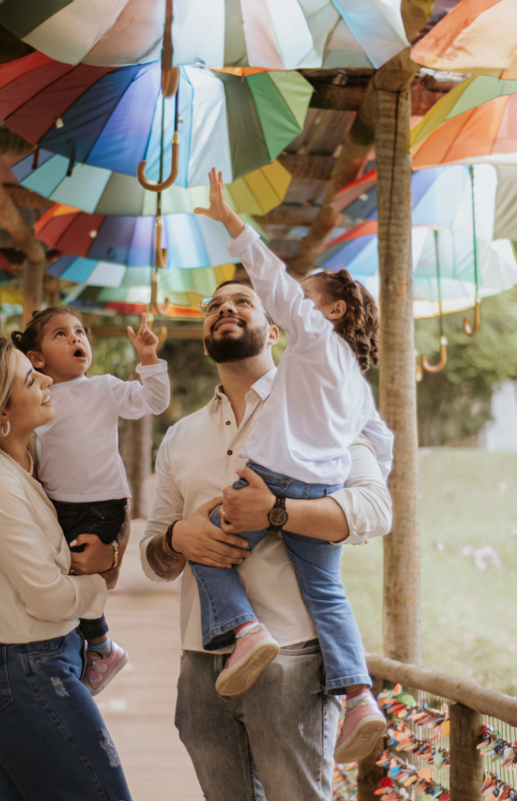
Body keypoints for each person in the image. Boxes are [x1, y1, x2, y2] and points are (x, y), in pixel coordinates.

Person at [140, 279, 393, 800]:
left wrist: (276, 511)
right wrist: (180, 538)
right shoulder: (180, 436)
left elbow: (374, 508)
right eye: (214, 305)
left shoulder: (314, 404)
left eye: (242, 302)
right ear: (205, 333)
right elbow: (153, 558)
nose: (224, 308)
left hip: (294, 663)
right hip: (201, 660)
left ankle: (355, 695)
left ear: (276, 330)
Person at [191, 168, 393, 753]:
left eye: (307, 300)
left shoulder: (312, 338)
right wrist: (358, 469)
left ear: (328, 313)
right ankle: (357, 698)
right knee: (327, 594)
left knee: (207, 544)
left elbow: (273, 281)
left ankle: (244, 631)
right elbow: (380, 442)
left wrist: (232, 222)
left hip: (276, 475)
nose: (294, 306)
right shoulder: (356, 382)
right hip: (323, 486)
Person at [0, 336, 133, 801]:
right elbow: (49, 596)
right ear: (0, 415)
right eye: (31, 379)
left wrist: (107, 558)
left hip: (24, 670)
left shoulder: (21, 471)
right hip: (28, 672)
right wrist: (99, 580)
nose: (48, 380)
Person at [12, 306, 169, 695]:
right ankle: (85, 647)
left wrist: (148, 358)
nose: (77, 339)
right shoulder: (36, 397)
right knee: (61, 578)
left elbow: (155, 401)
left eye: (80, 331)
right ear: (36, 359)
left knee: (84, 574)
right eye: (61, 334)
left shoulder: (105, 387)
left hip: (103, 503)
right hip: (55, 505)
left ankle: (100, 647)